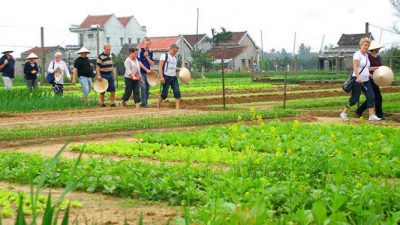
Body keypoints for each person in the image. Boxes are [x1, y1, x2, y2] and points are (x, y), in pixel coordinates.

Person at [340, 37, 381, 121]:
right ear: (361, 45)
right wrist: (358, 78)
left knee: (371, 96)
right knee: (354, 99)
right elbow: (355, 68)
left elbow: (366, 68)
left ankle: (371, 115)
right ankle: (344, 113)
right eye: (365, 45)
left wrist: (375, 70)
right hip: (357, 80)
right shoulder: (357, 55)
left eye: (368, 45)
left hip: (366, 80)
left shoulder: (366, 55)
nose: (366, 46)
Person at [355, 41, 384, 119]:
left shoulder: (379, 57)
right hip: (368, 78)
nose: (379, 50)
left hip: (376, 79)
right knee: (376, 97)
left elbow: (380, 68)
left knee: (373, 97)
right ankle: (379, 115)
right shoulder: (367, 57)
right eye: (378, 48)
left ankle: (359, 111)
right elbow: (364, 68)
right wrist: (371, 75)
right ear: (374, 49)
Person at [158, 44, 182, 109]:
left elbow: (174, 68)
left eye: (176, 51)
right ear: (171, 49)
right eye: (175, 51)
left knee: (177, 92)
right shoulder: (164, 56)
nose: (175, 52)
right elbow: (160, 67)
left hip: (173, 77)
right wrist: (161, 77)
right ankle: (158, 106)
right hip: (166, 77)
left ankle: (177, 109)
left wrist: (180, 69)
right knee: (164, 94)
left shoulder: (174, 58)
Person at [138, 37, 155, 107]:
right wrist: (146, 70)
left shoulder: (151, 52)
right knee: (143, 87)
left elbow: (152, 64)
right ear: (143, 44)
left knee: (147, 88)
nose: (146, 45)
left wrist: (147, 57)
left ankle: (145, 102)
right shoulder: (140, 51)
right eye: (145, 44)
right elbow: (139, 63)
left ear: (150, 44)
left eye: (148, 44)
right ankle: (144, 103)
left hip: (148, 73)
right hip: (141, 72)